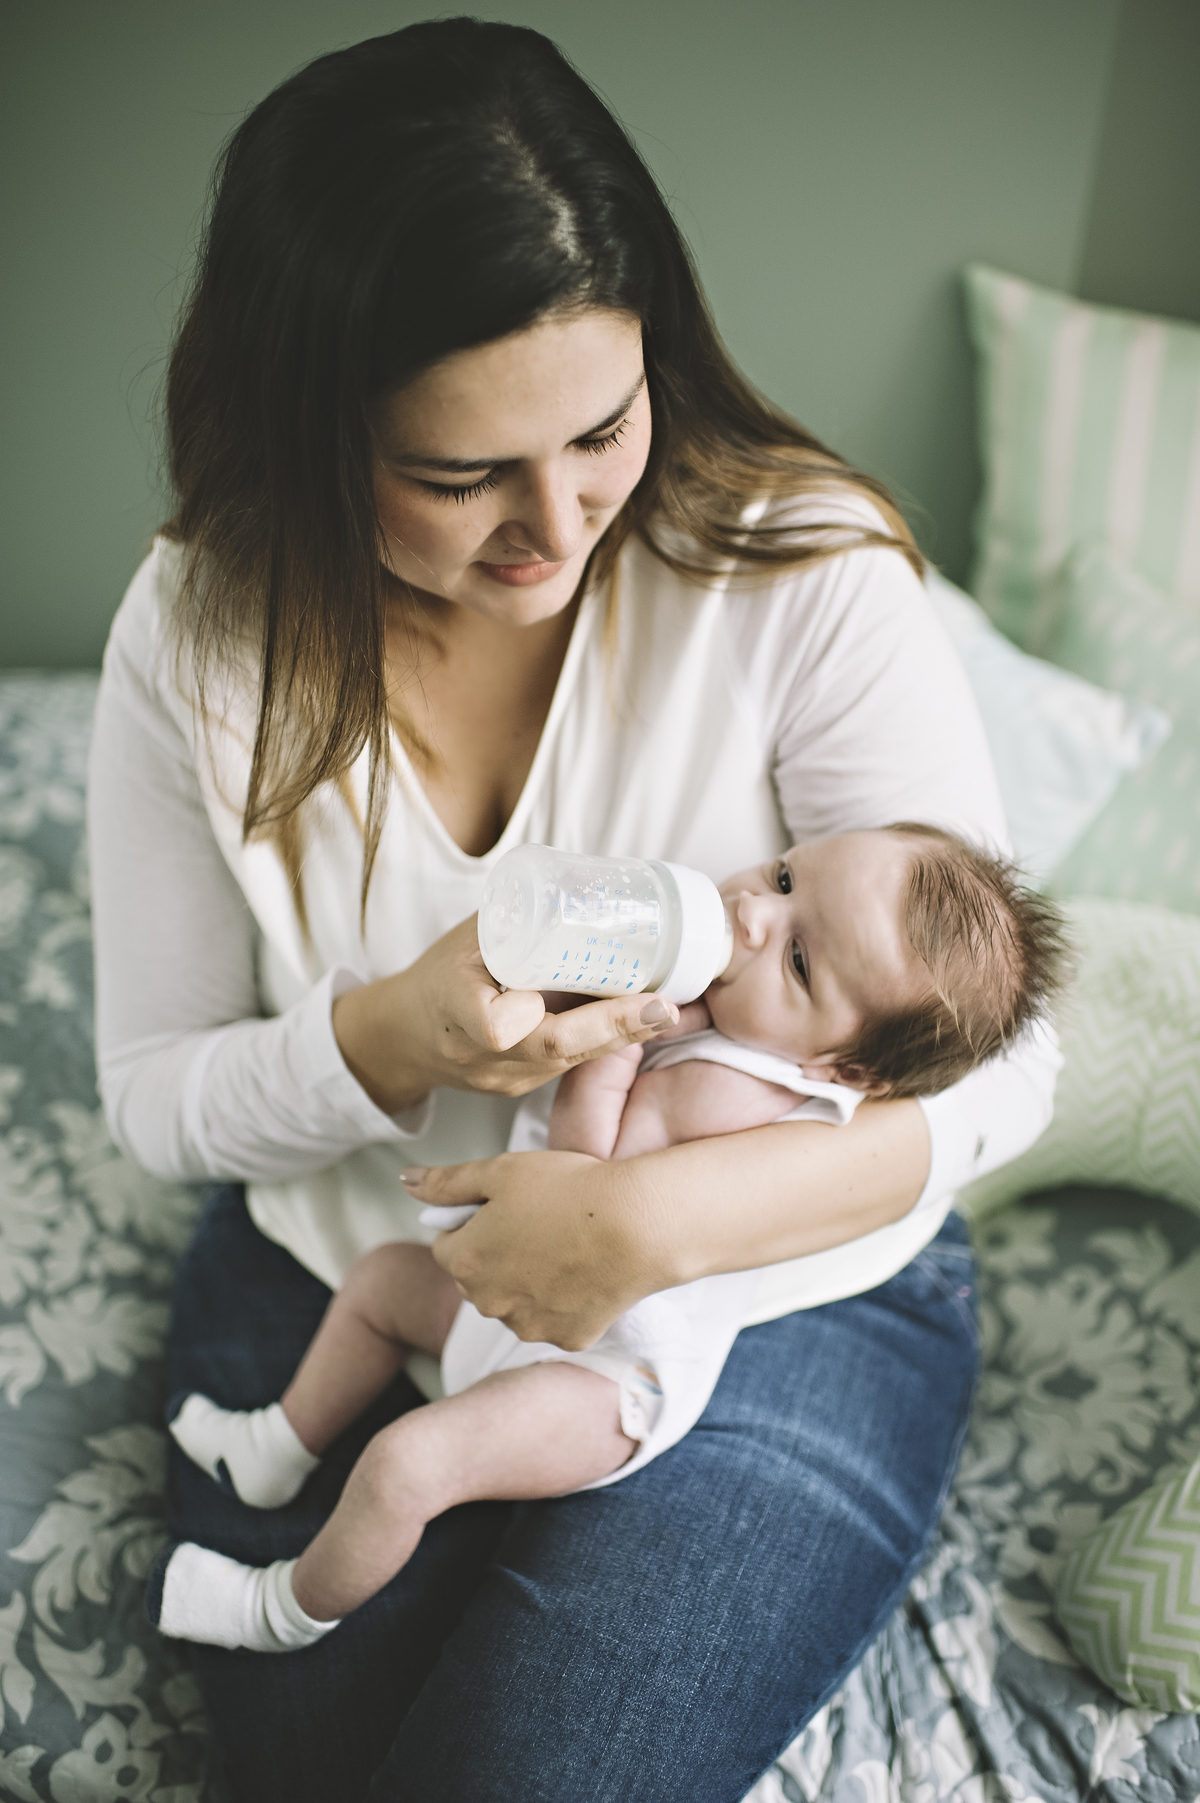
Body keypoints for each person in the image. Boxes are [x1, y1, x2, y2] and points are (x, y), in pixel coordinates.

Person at [87, 17, 1062, 1801]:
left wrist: (653, 1220)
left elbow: (1008, 1069)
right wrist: (386, 1035)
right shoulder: (197, 634)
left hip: (772, 1300)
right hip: (353, 1252)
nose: (556, 527)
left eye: (602, 431)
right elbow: (152, 1089)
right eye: (461, 476)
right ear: (311, 431)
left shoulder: (793, 568)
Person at [155, 825, 1068, 1654]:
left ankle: (282, 1611)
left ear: (844, 1067)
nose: (751, 912)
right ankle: (279, 1441)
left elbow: (577, 1191)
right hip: (516, 1309)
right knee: (381, 1282)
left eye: (796, 957)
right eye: (787, 874)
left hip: (601, 1384)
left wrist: (618, 1042)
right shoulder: (735, 1023)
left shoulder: (737, 1093)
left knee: (408, 1463)